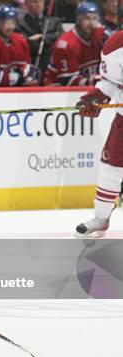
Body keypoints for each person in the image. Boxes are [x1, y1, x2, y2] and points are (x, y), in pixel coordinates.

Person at [75, 30, 122, 238]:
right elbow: (110, 81)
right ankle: (101, 218)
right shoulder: (116, 46)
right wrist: (97, 96)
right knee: (110, 166)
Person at [43, 2, 106, 86]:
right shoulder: (67, 44)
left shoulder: (99, 38)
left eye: (94, 19)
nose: (91, 23)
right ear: (78, 20)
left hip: (86, 86)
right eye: (87, 18)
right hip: (57, 88)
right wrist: (93, 81)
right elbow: (67, 80)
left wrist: (104, 39)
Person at [0, 5, 38, 86]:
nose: (10, 27)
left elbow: (26, 67)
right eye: (6, 22)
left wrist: (29, 75)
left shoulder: (21, 41)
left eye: (13, 22)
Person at [16, 0, 64, 74]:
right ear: (26, 3)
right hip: (30, 64)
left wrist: (42, 37)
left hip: (52, 65)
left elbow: (61, 38)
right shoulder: (19, 24)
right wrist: (49, 42)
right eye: (34, 2)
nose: (38, 5)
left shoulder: (54, 22)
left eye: (41, 2)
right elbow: (25, 43)